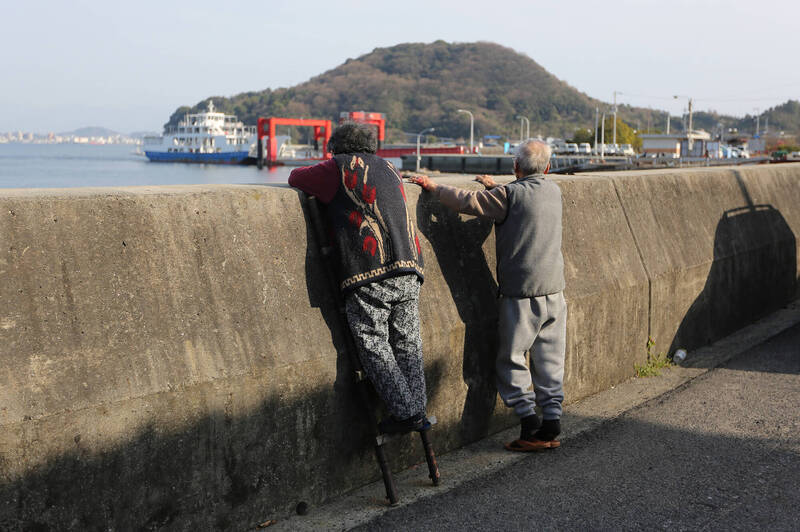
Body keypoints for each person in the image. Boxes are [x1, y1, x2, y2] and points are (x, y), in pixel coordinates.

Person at [408, 139, 566, 451]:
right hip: (555, 292)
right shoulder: (554, 191)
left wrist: (433, 185)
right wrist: (499, 187)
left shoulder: (509, 195)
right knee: (550, 359)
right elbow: (523, 196)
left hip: (522, 294)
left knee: (512, 358)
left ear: (516, 167)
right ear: (547, 168)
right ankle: (552, 421)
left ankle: (528, 423)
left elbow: (469, 201)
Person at [289, 121, 428, 434]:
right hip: (409, 264)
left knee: (373, 340)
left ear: (336, 147)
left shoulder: (337, 167)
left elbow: (296, 177)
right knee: (408, 342)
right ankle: (418, 408)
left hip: (372, 270)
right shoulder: (389, 167)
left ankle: (406, 413)